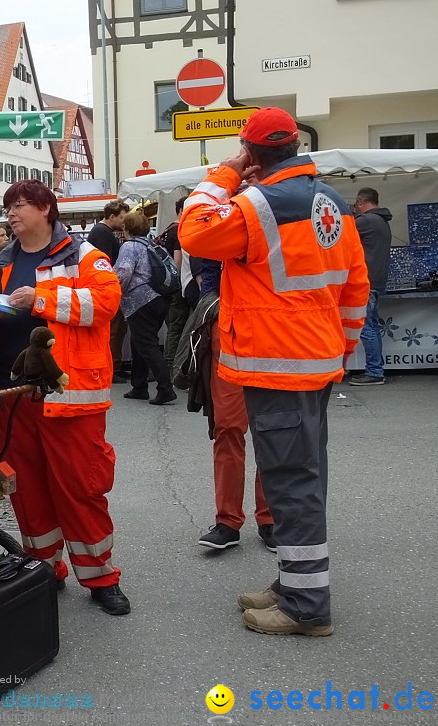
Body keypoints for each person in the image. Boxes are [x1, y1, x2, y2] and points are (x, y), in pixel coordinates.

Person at [179, 107, 369, 636]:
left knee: (291, 483)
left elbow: (194, 233)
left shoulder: (258, 203)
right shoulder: (334, 202)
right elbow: (356, 287)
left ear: (253, 153)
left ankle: (307, 607)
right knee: (302, 477)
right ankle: (294, 582)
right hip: (313, 363)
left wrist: (224, 172)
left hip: (277, 366)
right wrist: (340, 348)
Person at [0, 179, 131, 616]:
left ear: (46, 209)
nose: (12, 213)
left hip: (68, 397)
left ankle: (100, 577)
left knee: (81, 488)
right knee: (27, 492)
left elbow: (108, 302)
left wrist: (42, 299)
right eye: (8, 207)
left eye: (21, 205)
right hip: (8, 396)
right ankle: (43, 567)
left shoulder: (83, 255)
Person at [194, 258, 275, 553]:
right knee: (227, 427)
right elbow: (203, 261)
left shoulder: (276, 220)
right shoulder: (220, 215)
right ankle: (228, 520)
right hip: (229, 328)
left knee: (271, 431)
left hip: (274, 329)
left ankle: (270, 517)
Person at [114, 211, 176, 406]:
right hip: (160, 298)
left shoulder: (129, 246)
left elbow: (123, 273)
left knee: (147, 344)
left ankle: (165, 389)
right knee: (139, 342)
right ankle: (139, 386)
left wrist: (113, 292)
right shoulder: (151, 244)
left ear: (127, 228)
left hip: (140, 301)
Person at [350, 187, 392, 386]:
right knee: (372, 326)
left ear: (360, 202)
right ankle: (375, 369)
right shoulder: (382, 221)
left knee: (367, 328)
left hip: (367, 282)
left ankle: (374, 371)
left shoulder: (365, 221)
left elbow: (341, 236)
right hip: (377, 281)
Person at [87, 200, 131, 382]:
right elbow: (105, 264)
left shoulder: (102, 232)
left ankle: (116, 364)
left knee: (116, 328)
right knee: (113, 329)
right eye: (121, 217)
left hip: (101, 287)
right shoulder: (104, 233)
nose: (123, 222)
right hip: (104, 289)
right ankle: (113, 365)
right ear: (111, 216)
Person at [160, 197, 195, 366]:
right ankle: (172, 365)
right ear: (182, 210)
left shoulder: (167, 230)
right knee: (178, 325)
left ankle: (169, 363)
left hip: (166, 285)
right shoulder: (179, 231)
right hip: (178, 284)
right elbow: (177, 261)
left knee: (173, 325)